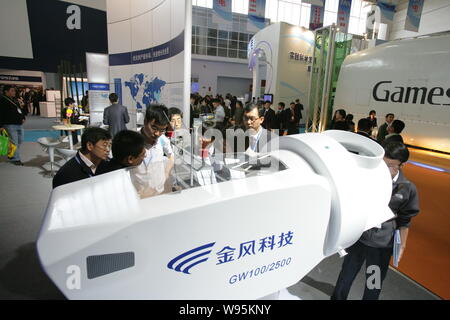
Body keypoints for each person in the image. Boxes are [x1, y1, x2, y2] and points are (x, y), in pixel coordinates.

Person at [331, 141, 420, 300]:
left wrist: (401, 245)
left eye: (391, 166)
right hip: (359, 238)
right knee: (346, 275)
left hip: (381, 247)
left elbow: (405, 221)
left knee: (374, 282)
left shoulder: (407, 188)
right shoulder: (368, 179)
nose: (385, 170)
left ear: (402, 165)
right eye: (382, 164)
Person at [131, 104, 174, 198]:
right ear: (145, 122)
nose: (157, 133)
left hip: (160, 192)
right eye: (154, 128)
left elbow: (171, 155)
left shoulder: (163, 140)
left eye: (162, 130)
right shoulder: (133, 141)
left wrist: (166, 173)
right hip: (140, 195)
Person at [0, 85, 26, 165]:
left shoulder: (14, 100)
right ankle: (15, 158)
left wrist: (23, 117)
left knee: (20, 140)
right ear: (6, 92)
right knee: (14, 141)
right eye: (12, 91)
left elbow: (19, 110)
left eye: (14, 91)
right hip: (9, 124)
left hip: (19, 124)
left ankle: (12, 154)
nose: (14, 92)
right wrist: (0, 126)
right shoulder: (2, 100)